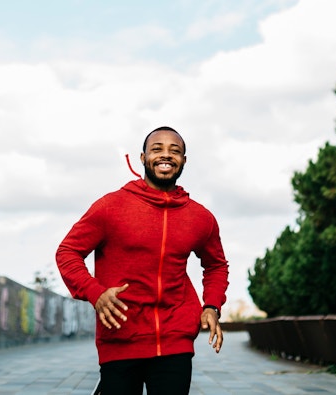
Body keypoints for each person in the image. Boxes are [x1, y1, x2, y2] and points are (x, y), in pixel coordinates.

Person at [56, 126, 229, 395]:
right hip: (121, 338)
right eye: (157, 148)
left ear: (184, 160)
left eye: (175, 151)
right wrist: (95, 292)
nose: (166, 155)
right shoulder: (110, 207)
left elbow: (216, 264)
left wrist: (212, 305)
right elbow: (67, 252)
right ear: (142, 157)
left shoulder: (200, 218)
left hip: (176, 340)